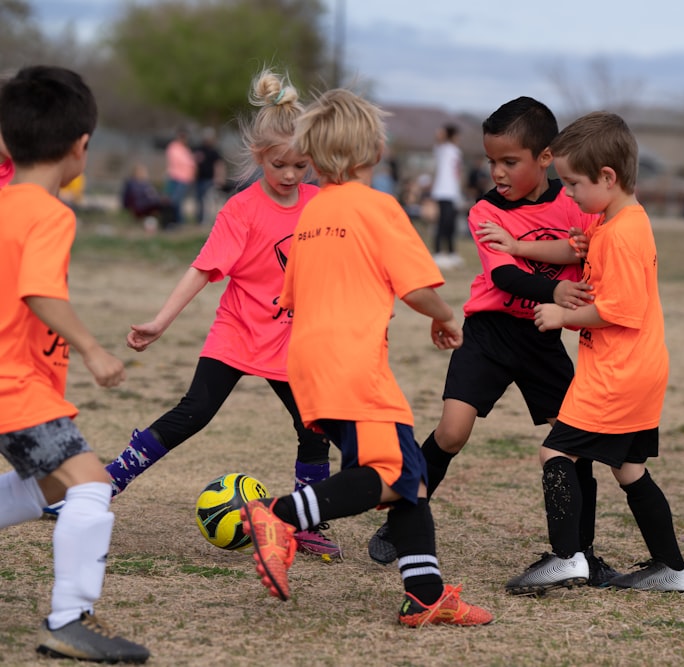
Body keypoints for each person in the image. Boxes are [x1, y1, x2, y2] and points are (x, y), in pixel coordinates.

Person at [238, 87, 493, 627]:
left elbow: (290, 295)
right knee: (392, 473)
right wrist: (445, 316)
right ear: (367, 152)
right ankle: (280, 516)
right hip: (354, 364)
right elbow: (416, 286)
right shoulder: (377, 206)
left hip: (310, 362)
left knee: (412, 478)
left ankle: (424, 594)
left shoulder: (311, 214)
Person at [366, 96, 621, 589]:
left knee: (575, 444)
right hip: (488, 333)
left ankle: (581, 553)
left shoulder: (577, 201)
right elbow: (503, 275)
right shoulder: (485, 210)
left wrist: (569, 264)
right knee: (451, 434)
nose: (498, 172)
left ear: (546, 158)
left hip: (542, 337)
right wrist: (555, 286)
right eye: (491, 161)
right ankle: (402, 518)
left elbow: (588, 245)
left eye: (510, 161)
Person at [98, 69, 340, 558]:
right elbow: (202, 270)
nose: (291, 175)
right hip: (238, 331)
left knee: (314, 425)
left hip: (292, 341)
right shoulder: (242, 210)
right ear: (258, 157)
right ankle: (104, 484)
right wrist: (160, 322)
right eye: (280, 165)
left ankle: (308, 519)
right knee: (195, 413)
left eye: (301, 165)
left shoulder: (323, 204)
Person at [494, 111, 684, 595]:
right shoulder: (617, 221)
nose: (568, 194)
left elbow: (621, 310)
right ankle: (672, 568)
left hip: (617, 372)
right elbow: (573, 252)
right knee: (628, 469)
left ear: (608, 176)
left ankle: (567, 558)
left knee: (554, 452)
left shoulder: (622, 234)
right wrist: (519, 245)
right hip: (637, 368)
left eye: (574, 184)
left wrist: (563, 316)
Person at [0, 65, 150, 663]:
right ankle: (69, 618)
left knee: (40, 487)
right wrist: (91, 347)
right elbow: (40, 291)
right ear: (81, 145)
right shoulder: (50, 213)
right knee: (90, 484)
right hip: (15, 386)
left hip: (19, 384)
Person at [430, 123, 464, 269]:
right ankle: (438, 253)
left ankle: (451, 252)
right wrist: (442, 134)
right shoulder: (443, 149)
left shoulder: (456, 151)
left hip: (452, 193)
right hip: (442, 192)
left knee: (451, 225)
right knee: (442, 223)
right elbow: (437, 142)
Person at [121, 163, 173, 232]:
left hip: (146, 203)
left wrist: (159, 197)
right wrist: (156, 199)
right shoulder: (134, 184)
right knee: (165, 205)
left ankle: (167, 225)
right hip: (141, 206)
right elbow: (141, 197)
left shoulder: (144, 183)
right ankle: (166, 226)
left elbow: (152, 194)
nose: (145, 174)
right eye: (143, 172)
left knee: (167, 203)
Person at [163, 126, 196, 227]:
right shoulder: (174, 147)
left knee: (178, 201)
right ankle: (175, 221)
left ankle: (178, 221)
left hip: (185, 179)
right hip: (175, 177)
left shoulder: (186, 150)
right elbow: (180, 162)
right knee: (173, 201)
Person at [193, 127, 225, 225]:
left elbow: (218, 165)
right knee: (199, 200)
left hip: (209, 180)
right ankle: (199, 219)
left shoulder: (214, 151)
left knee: (208, 201)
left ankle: (207, 220)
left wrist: (219, 178)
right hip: (199, 179)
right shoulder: (198, 149)